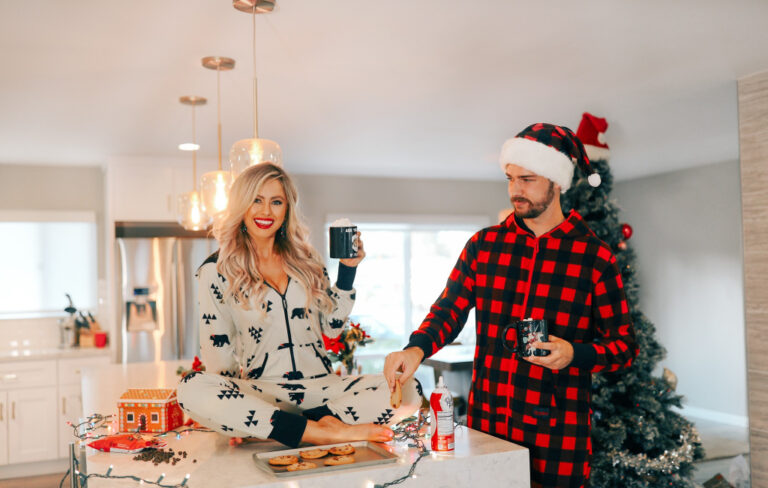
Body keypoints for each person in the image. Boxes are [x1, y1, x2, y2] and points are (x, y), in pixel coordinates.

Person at [383, 123, 638, 488]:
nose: (515, 190)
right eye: (510, 178)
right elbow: (448, 310)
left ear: (557, 182)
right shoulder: (484, 246)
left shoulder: (594, 256)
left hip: (558, 434)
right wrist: (416, 348)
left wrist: (574, 354)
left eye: (528, 179)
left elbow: (625, 346)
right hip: (489, 423)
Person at [178, 163, 422, 448]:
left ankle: (309, 425)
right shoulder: (216, 270)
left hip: (324, 389)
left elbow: (332, 329)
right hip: (264, 393)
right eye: (256, 199)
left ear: (286, 209)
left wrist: (348, 269)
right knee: (190, 388)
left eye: (276, 202)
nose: (266, 211)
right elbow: (219, 359)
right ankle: (323, 431)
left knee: (410, 389)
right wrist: (233, 412)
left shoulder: (307, 262)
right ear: (241, 205)